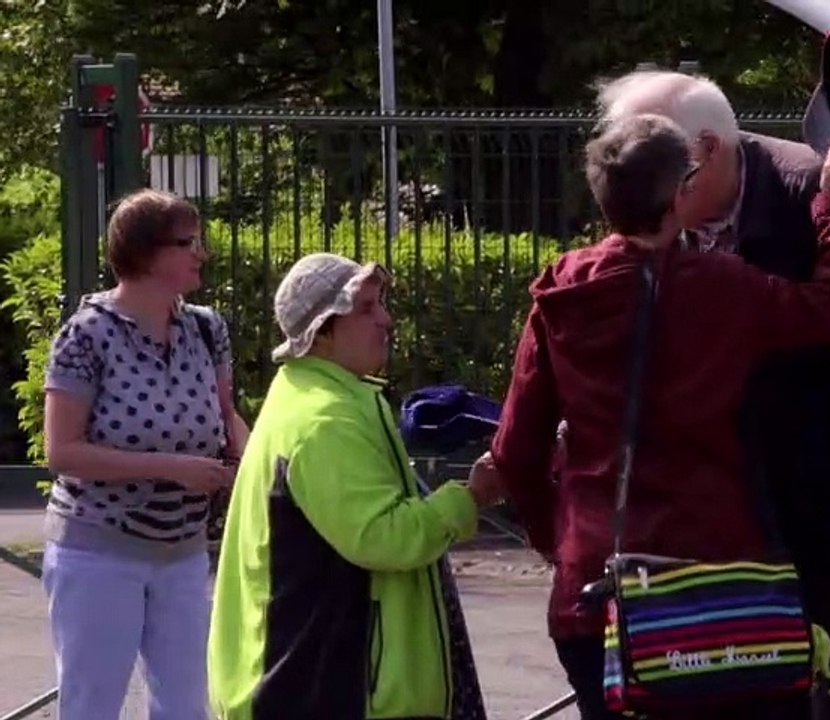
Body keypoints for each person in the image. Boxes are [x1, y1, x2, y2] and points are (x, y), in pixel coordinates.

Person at [594, 62, 830, 718]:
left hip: (817, 505)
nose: (634, 182)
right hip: (710, 513)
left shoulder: (812, 196)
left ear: (707, 151)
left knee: (827, 676)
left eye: (653, 162)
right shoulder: (654, 216)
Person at [486, 113, 830, 719]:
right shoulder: (720, 286)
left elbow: (515, 451)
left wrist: (559, 541)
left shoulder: (563, 291)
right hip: (714, 587)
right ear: (680, 193)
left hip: (599, 592)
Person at [207, 253, 501, 720]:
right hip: (322, 694)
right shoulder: (324, 420)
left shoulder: (315, 396)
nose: (385, 319)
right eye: (365, 308)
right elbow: (384, 536)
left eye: (380, 303)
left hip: (309, 689)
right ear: (321, 332)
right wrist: (472, 496)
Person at [41, 188, 244, 720]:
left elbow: (227, 416)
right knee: (91, 707)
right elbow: (62, 452)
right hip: (98, 550)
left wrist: (246, 463)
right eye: (187, 243)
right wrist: (171, 469)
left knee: (185, 707)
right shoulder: (86, 335)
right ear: (146, 253)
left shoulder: (207, 328)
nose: (201, 253)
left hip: (183, 551)